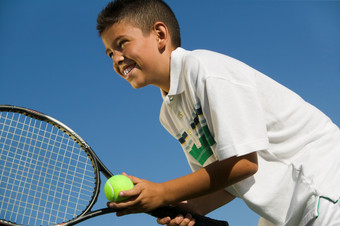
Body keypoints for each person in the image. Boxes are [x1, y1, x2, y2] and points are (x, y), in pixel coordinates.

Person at [96, 0, 340, 225]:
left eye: (122, 44)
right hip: (287, 212)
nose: (116, 58)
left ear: (160, 35)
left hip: (323, 185)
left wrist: (162, 192)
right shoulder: (168, 114)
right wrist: (194, 206)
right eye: (109, 53)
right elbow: (228, 178)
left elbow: (243, 163)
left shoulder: (205, 70)